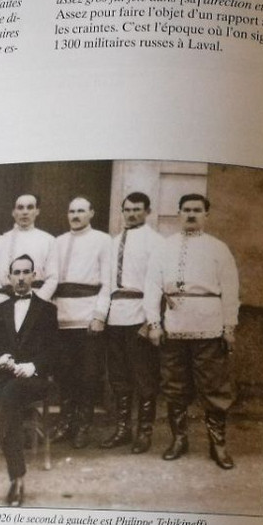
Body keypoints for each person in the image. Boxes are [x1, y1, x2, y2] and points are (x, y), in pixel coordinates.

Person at [144, 193, 239, 469]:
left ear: (206, 215)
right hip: (174, 327)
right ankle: (179, 440)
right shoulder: (164, 248)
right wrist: (153, 323)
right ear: (178, 213)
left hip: (209, 326)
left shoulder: (218, 248)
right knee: (174, 386)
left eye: (197, 210)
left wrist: (229, 326)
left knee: (214, 388)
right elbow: (152, 286)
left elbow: (231, 289)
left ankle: (217, 445)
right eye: (186, 210)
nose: (191, 215)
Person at [0, 255, 58, 506]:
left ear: (34, 276)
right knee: (11, 400)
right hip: (4, 378)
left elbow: (55, 351)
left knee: (11, 395)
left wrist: (33, 366)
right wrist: (1, 358)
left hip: (33, 380)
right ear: (9, 278)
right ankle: (17, 482)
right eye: (16, 273)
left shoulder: (47, 310)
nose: (21, 278)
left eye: (26, 272)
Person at [100, 192, 164, 452]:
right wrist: (101, 315)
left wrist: (152, 321)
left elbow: (157, 285)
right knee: (119, 377)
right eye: (127, 209)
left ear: (147, 211)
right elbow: (107, 283)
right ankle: (123, 429)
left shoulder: (157, 242)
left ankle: (144, 432)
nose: (132, 214)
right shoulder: (113, 243)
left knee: (144, 377)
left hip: (140, 315)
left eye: (137, 209)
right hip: (116, 315)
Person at [52, 196, 112, 447]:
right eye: (71, 211)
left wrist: (99, 315)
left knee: (88, 376)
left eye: (80, 211)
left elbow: (108, 282)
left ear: (91, 213)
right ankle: (66, 423)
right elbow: (53, 282)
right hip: (61, 318)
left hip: (88, 318)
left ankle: (83, 426)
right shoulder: (58, 242)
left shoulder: (102, 240)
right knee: (64, 375)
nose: (75, 215)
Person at [0, 193, 58, 303]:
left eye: (30, 207)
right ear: (13, 212)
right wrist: (3, 303)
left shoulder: (48, 240)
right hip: (6, 302)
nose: (25, 212)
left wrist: (37, 303)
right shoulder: (0, 241)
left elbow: (53, 278)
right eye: (20, 208)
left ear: (37, 211)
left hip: (38, 303)